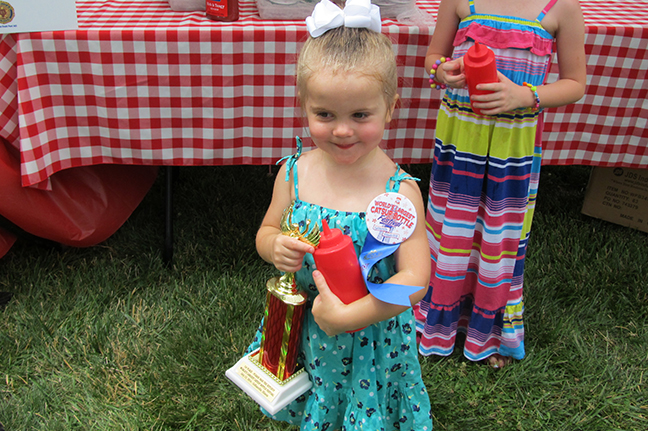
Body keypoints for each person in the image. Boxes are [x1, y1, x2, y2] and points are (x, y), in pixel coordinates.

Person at [245, 0, 433, 429]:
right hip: (312, 326)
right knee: (323, 398)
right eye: (324, 114)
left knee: (367, 410)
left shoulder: (399, 191)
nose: (342, 130)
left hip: (374, 334)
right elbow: (266, 230)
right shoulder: (295, 173)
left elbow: (415, 282)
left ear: (391, 107)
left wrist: (354, 315)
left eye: (360, 115)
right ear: (303, 105)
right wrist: (275, 245)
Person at [414, 0, 586, 369]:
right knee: (449, 229)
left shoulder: (562, 8)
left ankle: (487, 333)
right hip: (460, 139)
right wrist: (443, 73)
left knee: (498, 237)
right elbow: (433, 57)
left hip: (513, 147)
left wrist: (526, 96)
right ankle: (433, 323)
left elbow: (575, 84)